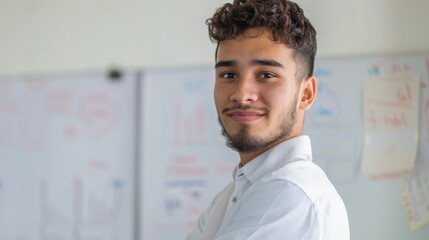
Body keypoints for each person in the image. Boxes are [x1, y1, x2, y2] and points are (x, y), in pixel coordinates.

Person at [187, 0, 350, 239]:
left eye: (266, 75)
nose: (242, 94)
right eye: (228, 75)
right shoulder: (229, 197)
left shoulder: (291, 192)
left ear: (306, 94)